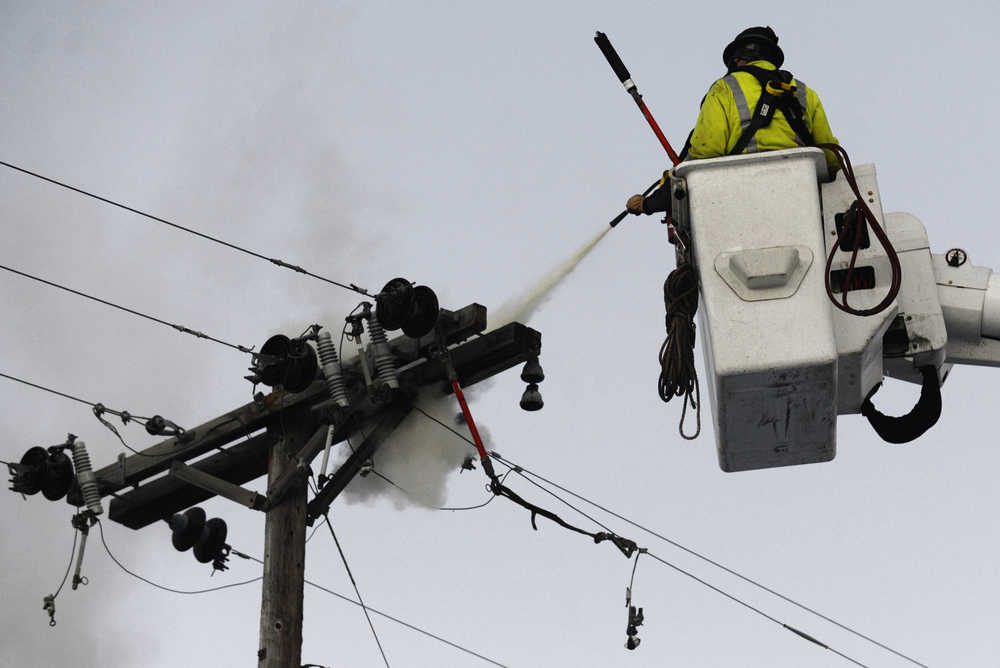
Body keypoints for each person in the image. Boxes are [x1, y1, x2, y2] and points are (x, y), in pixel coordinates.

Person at [627, 26, 839, 216]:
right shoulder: (804, 92)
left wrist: (658, 198)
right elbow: (831, 158)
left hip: (739, 201)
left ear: (739, 58)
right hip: (803, 200)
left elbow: (706, 150)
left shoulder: (725, 87)